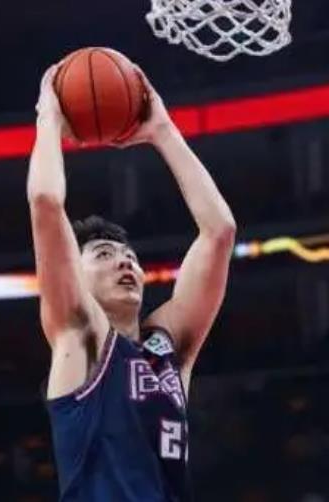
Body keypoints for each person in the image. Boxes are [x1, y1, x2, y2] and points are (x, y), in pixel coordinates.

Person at [27, 61, 236, 501]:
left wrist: (162, 131)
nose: (124, 262)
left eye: (130, 256)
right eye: (104, 255)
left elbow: (220, 233)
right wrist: (49, 118)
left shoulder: (168, 347)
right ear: (75, 273)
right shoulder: (79, 334)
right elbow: (45, 201)